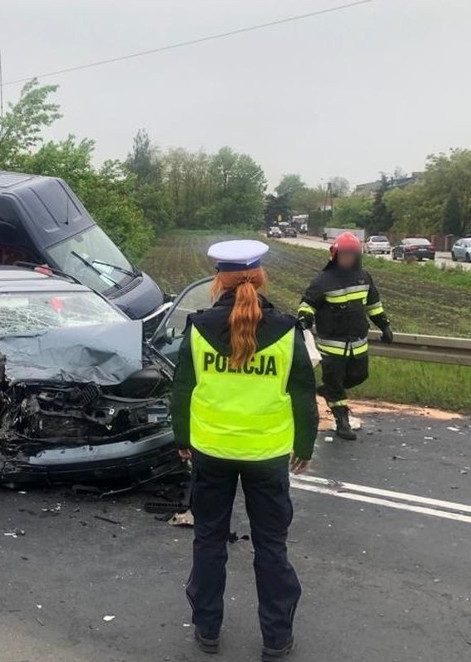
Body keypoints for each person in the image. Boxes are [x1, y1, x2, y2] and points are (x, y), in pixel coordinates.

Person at [171, 239, 319, 661]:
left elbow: (182, 389)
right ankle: (276, 639)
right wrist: (304, 444)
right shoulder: (288, 329)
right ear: (260, 276)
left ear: (220, 279)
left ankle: (207, 630)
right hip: (267, 455)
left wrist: (183, 437)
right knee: (271, 546)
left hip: (212, 450)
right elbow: (303, 391)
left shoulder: (198, 327)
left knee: (209, 540)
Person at [297, 232, 393, 440]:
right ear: (335, 255)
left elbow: (374, 305)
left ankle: (330, 390)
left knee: (360, 376)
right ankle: (342, 422)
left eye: (352, 254)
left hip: (358, 345)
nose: (348, 258)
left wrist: (384, 326)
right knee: (336, 385)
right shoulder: (323, 281)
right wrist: (304, 320)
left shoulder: (364, 277)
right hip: (331, 347)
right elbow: (308, 304)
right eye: (344, 255)